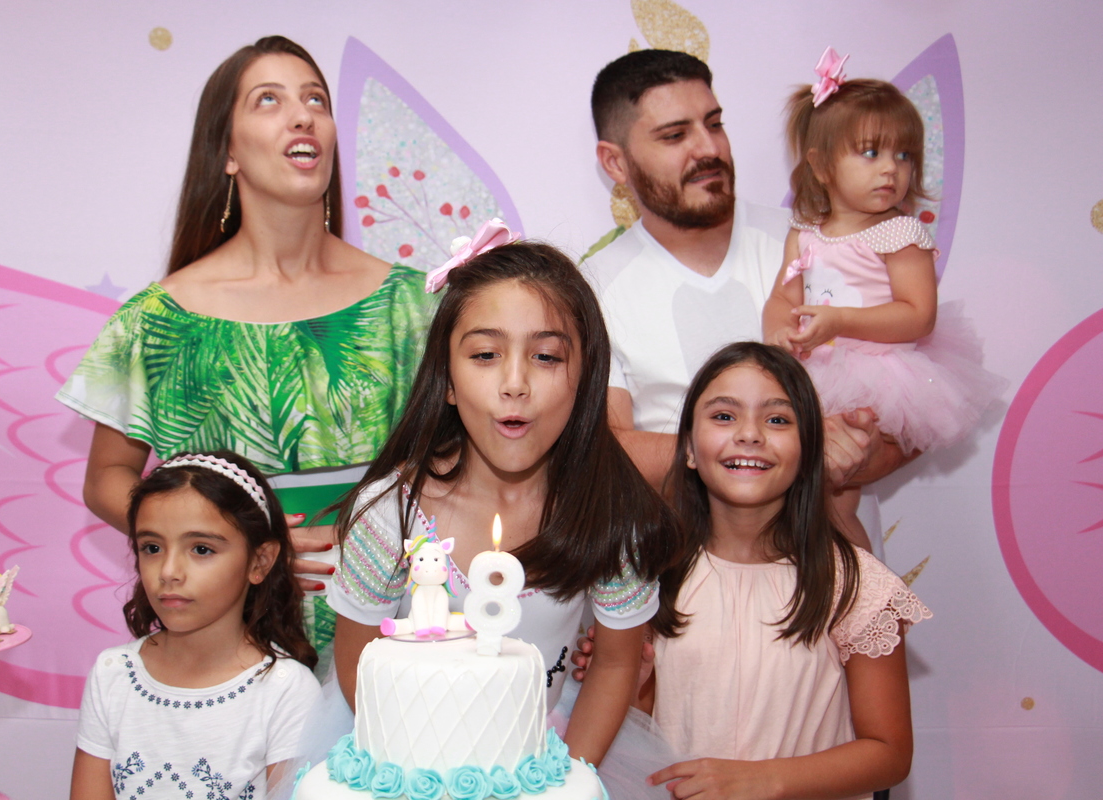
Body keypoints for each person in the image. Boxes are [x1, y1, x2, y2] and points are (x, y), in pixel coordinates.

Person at [56, 36, 436, 659]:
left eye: (315, 99)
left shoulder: (416, 304)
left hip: (397, 630)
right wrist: (225, 538)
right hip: (237, 636)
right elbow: (105, 478)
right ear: (228, 151)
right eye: (268, 100)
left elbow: (469, 465)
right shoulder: (158, 319)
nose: (302, 115)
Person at [327, 235, 683, 768]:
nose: (515, 383)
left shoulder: (611, 513)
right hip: (403, 755)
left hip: (551, 754)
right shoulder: (389, 515)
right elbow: (357, 664)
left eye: (546, 357)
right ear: (447, 380)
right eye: (485, 355)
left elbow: (614, 666)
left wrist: (563, 782)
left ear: (586, 379)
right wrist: (426, 774)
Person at [583, 49, 904, 553]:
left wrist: (863, 453)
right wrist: (777, 454)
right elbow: (608, 446)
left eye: (714, 124)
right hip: (683, 579)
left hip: (837, 576)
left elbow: (914, 413)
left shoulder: (819, 242)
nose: (708, 148)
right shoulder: (594, 287)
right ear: (615, 162)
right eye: (675, 135)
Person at [648, 342, 930, 800]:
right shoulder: (652, 575)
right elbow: (640, 728)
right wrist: (621, 674)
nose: (750, 434)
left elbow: (889, 754)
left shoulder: (856, 585)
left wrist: (762, 779)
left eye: (777, 420)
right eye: (724, 416)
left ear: (808, 453)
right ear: (689, 449)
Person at [763, 48, 1003, 546]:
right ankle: (819, 584)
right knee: (804, 500)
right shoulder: (804, 233)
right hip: (815, 370)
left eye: (904, 155)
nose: (891, 169)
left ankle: (864, 589)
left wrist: (839, 321)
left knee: (833, 497)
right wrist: (778, 336)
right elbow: (782, 300)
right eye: (871, 153)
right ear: (821, 166)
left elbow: (918, 317)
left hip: (876, 377)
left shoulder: (900, 233)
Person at [69, 451, 321, 800]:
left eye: (201, 549)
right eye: (152, 547)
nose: (169, 571)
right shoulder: (112, 674)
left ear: (260, 561)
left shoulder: (285, 690)